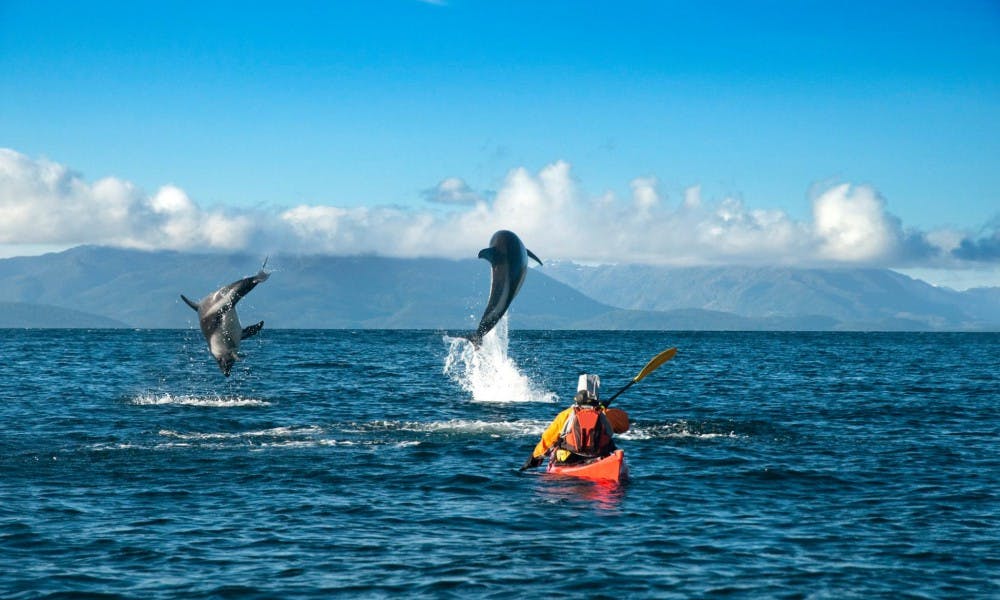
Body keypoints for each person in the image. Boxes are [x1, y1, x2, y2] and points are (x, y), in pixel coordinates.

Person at [521, 374, 630, 470]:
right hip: (598, 457)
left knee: (557, 446)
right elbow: (625, 426)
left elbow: (547, 440)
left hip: (569, 460)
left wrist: (534, 458)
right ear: (597, 395)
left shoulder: (566, 415)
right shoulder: (606, 414)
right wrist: (604, 409)